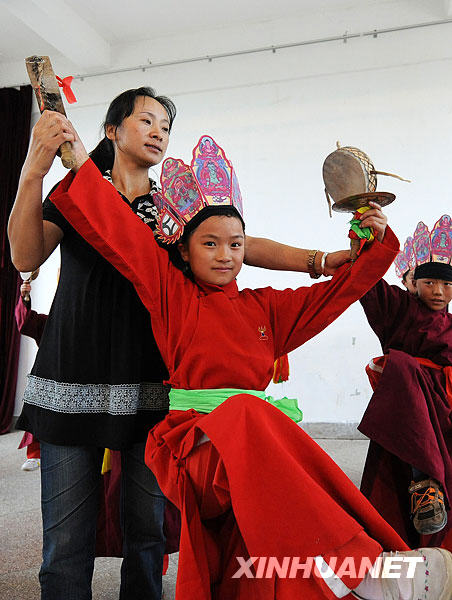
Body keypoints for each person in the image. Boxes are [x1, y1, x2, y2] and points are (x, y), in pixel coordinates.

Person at [49, 128, 452, 599]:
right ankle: (364, 571)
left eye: (236, 245)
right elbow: (121, 232)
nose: (226, 256)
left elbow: (340, 291)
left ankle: (353, 578)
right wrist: (79, 162)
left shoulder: (265, 310)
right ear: (183, 249)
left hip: (251, 444)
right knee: (248, 413)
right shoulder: (171, 294)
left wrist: (375, 242)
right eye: (210, 244)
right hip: (192, 448)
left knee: (263, 550)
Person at [7, 88, 351, 600]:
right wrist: (32, 172)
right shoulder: (76, 190)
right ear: (112, 131)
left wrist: (320, 259)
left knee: (149, 531)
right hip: (71, 373)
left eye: (165, 125)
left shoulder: (174, 211)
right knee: (64, 536)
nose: (158, 132)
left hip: (153, 380)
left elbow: (242, 243)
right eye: (145, 120)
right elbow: (25, 255)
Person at [358, 216, 452, 552]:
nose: (438, 291)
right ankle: (423, 481)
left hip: (443, 408)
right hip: (408, 409)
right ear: (411, 281)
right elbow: (367, 281)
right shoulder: (398, 309)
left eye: (446, 285)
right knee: (400, 364)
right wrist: (367, 240)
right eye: (428, 282)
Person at [15, 279, 46, 471]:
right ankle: (34, 453)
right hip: (47, 376)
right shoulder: (48, 322)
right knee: (36, 401)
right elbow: (25, 323)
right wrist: (25, 297)